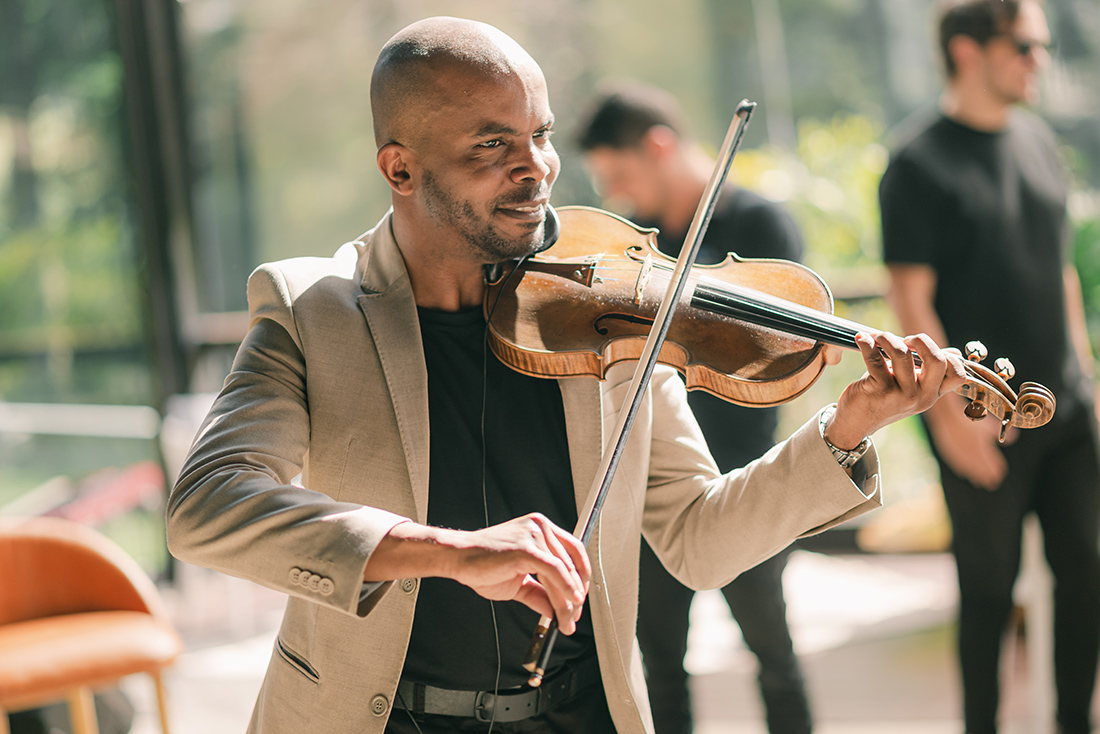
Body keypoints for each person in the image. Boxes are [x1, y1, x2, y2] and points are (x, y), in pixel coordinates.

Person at [166, 16, 968, 734]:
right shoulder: (311, 310)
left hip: (580, 713)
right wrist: (448, 552)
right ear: (400, 169)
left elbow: (697, 537)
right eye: (492, 145)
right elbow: (206, 506)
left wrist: (849, 427)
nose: (538, 168)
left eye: (540, 134)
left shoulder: (604, 310)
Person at [878, 2, 1100, 732]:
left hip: (1066, 410)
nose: (1041, 59)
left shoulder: (1036, 141)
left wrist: (1088, 382)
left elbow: (1059, 273)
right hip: (981, 415)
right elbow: (912, 299)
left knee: (1088, 576)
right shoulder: (916, 164)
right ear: (968, 50)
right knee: (987, 594)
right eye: (1027, 45)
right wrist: (949, 420)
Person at [576, 81, 812, 734]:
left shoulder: (761, 223)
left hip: (744, 473)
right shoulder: (633, 247)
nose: (616, 197)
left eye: (619, 175)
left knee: (772, 651)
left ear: (658, 147)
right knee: (659, 662)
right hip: (653, 473)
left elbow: (781, 348)